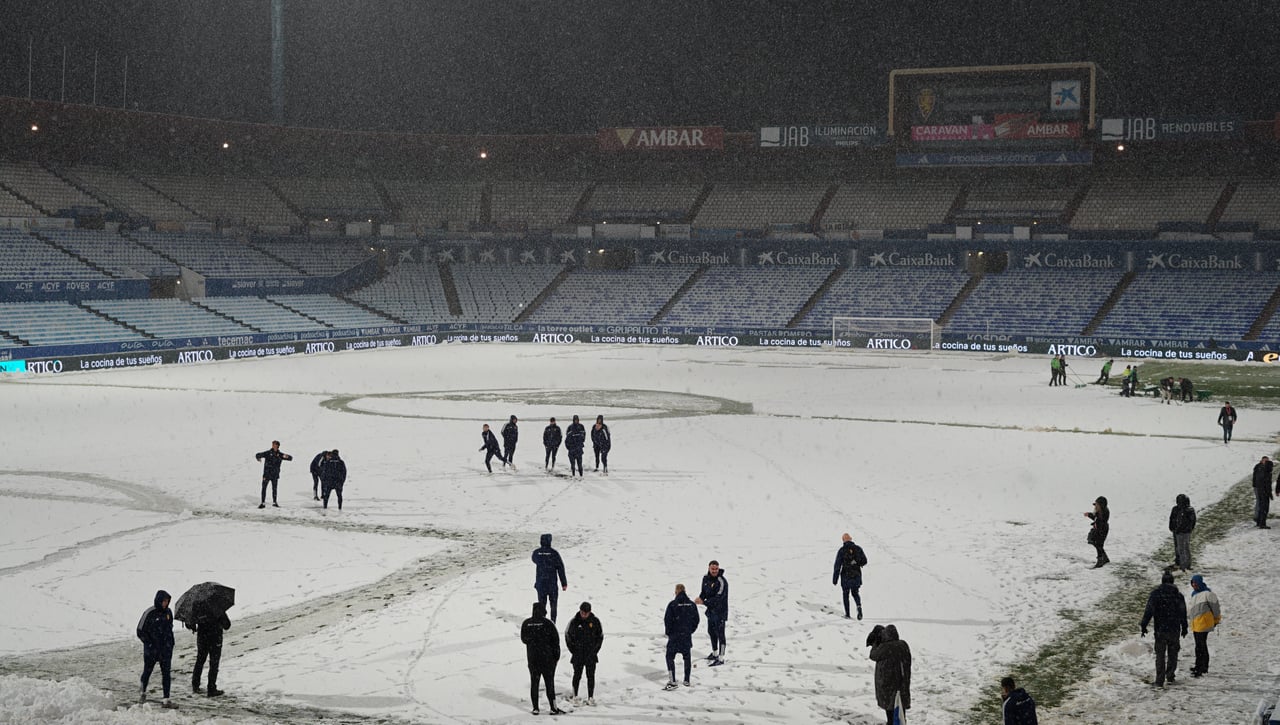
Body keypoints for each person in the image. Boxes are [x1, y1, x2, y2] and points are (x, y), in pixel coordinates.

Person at [1139, 570, 1187, 688]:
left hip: (1161, 629)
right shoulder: (1178, 595)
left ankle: (1159, 680)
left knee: (1160, 655)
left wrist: (1144, 625)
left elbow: (1149, 611)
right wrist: (1184, 627)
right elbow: (1183, 613)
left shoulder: (1156, 594)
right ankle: (1170, 675)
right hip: (1174, 629)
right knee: (1173, 653)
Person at [136, 589, 177, 709]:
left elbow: (169, 629)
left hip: (165, 650)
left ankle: (166, 699)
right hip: (152, 651)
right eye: (164, 601)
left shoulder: (168, 612)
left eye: (167, 601)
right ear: (159, 601)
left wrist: (170, 643)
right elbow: (140, 631)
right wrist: (149, 644)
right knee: (147, 671)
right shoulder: (150, 613)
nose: (166, 603)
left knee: (166, 674)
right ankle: (143, 690)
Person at [520, 602, 563, 715]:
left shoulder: (526, 623)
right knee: (549, 684)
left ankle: (535, 708)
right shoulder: (548, 623)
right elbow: (556, 641)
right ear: (544, 611)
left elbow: (524, 639)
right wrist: (556, 657)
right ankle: (553, 708)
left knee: (534, 683)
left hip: (533, 660)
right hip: (547, 660)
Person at [868, 624, 911, 725]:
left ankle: (891, 722)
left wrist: (875, 643)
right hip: (902, 682)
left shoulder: (885, 647)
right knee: (900, 707)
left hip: (887, 683)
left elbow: (873, 655)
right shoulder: (903, 645)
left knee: (890, 707)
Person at [564, 601, 603, 705]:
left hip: (591, 655)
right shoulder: (574, 622)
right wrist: (574, 650)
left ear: (590, 612)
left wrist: (594, 651)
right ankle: (575, 695)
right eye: (582, 612)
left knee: (591, 676)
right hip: (578, 655)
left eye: (586, 613)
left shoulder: (595, 621)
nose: (584, 614)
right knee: (577, 675)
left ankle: (591, 697)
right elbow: (568, 637)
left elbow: (600, 637)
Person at [662, 583, 700, 690]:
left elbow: (667, 620)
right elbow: (696, 620)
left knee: (669, 657)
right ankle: (686, 679)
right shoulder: (692, 605)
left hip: (674, 636)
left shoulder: (672, 604)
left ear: (676, 592)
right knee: (687, 657)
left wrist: (669, 633)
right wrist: (690, 631)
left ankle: (672, 680)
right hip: (686, 636)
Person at [1187, 573, 1222, 678]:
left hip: (1204, 624)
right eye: (1192, 583)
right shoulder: (1194, 594)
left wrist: (1216, 620)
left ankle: (1201, 667)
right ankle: (1200, 666)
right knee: (1199, 646)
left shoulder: (1208, 594)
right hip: (1196, 624)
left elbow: (1216, 609)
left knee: (1201, 645)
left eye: (1195, 583)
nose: (1194, 585)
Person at [695, 560, 728, 666]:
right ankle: (714, 653)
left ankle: (721, 658)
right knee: (711, 632)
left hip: (720, 612)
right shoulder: (705, 578)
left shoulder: (722, 581)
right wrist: (699, 599)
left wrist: (703, 602)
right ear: (709, 568)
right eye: (712, 569)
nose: (714, 571)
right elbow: (703, 592)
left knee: (720, 634)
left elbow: (718, 598)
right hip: (711, 611)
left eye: (716, 569)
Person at [190, 610, 230, 697]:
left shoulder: (198, 608)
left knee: (200, 661)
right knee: (214, 664)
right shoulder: (217, 607)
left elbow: (190, 624)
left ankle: (195, 684)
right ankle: (211, 688)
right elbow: (227, 625)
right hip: (215, 639)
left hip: (202, 639)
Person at [532, 533, 568, 622]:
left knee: (541, 605)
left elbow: (533, 559)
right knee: (553, 605)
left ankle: (542, 621)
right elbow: (560, 568)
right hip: (552, 585)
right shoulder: (554, 554)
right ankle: (552, 622)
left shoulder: (537, 553)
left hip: (541, 584)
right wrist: (564, 583)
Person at [832, 532, 868, 620]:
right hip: (856, 575)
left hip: (846, 576)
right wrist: (857, 562)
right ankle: (859, 606)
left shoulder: (841, 550)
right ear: (851, 539)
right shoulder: (858, 549)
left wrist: (835, 579)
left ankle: (847, 614)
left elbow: (837, 565)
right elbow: (865, 561)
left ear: (843, 541)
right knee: (855, 593)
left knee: (846, 595)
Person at [254, 440, 293, 509]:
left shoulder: (280, 455)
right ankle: (262, 503)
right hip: (266, 474)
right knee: (264, 488)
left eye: (275, 445)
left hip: (275, 475)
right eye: (273, 445)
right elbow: (257, 454)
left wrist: (286, 456)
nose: (273, 446)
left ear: (278, 446)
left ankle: (275, 502)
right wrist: (258, 458)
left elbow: (290, 458)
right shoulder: (268, 453)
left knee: (274, 489)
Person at [1168, 494, 1196, 571]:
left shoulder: (1189, 510)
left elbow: (1191, 521)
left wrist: (1188, 529)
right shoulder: (1175, 509)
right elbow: (1172, 518)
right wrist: (1172, 527)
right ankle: (1179, 562)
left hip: (1184, 532)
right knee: (1178, 548)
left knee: (1184, 548)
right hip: (1177, 531)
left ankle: (1185, 565)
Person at [1085, 496, 1110, 568]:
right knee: (1095, 543)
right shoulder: (1098, 511)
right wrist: (1090, 515)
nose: (1095, 506)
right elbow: (1095, 518)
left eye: (1097, 505)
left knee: (1099, 545)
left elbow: (1100, 521)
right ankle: (1104, 558)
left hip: (1102, 530)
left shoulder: (1104, 513)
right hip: (1097, 529)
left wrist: (1096, 523)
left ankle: (1100, 561)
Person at [1252, 455, 1273, 529]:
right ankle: (1261, 522)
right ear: (1262, 461)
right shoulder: (1261, 468)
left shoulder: (1263, 469)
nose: (1266, 462)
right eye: (1265, 461)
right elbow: (1263, 481)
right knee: (1263, 506)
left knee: (1261, 505)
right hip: (1261, 490)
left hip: (1261, 489)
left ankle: (1259, 521)